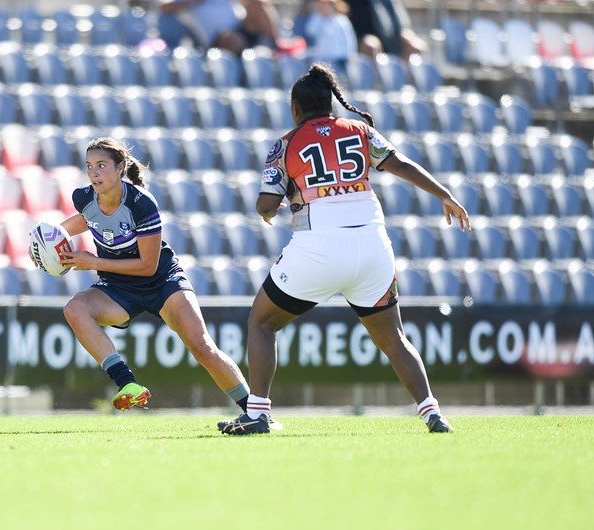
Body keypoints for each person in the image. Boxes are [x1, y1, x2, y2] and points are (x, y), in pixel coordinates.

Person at [218, 63, 470, 435]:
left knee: (262, 323)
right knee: (394, 339)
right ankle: (432, 413)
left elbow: (265, 205)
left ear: (295, 107)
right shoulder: (360, 131)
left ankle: (257, 413)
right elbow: (400, 164)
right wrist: (444, 194)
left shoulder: (286, 143)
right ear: (331, 103)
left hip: (317, 248)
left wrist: (278, 204)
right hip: (372, 247)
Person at [44, 137, 261, 417]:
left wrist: (94, 262)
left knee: (202, 347)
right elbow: (85, 220)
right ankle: (128, 384)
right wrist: (45, 245)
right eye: (89, 166)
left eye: (101, 165)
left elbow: (148, 266)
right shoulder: (84, 198)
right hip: (118, 287)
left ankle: (255, 412)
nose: (94, 173)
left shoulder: (141, 203)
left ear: (120, 167)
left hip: (162, 282)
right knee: (75, 308)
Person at [158, 0, 306, 56]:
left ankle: (277, 45)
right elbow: (163, 7)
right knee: (229, 37)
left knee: (257, 4)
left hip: (239, 27)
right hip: (218, 40)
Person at [343, 0, 426, 59]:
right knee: (370, 46)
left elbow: (401, 21)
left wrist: (406, 33)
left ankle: (401, 77)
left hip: (390, 39)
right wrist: (360, 38)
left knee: (414, 47)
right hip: (359, 37)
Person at [298, 0, 357, 73]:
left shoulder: (341, 20)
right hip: (321, 58)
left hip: (338, 59)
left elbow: (349, 39)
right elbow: (310, 32)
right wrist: (317, 15)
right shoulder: (318, 19)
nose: (323, 7)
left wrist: (350, 54)